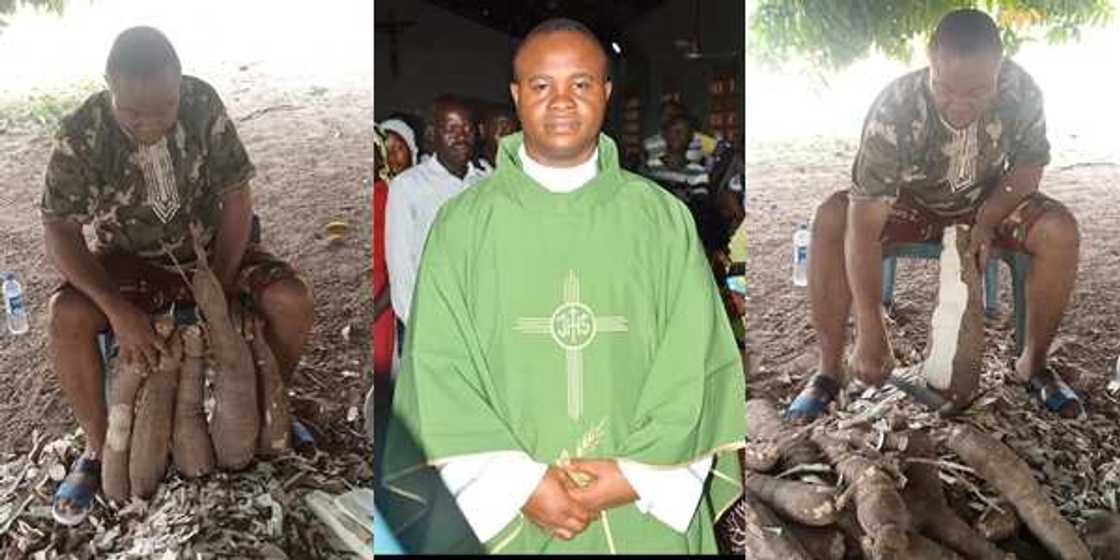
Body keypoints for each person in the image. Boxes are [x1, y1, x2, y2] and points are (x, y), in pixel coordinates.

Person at [381, 18, 745, 554]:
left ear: (607, 93)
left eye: (581, 83)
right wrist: (518, 483)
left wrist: (637, 474)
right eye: (541, 84)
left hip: (639, 500)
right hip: (505, 511)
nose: (561, 101)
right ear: (515, 95)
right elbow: (438, 371)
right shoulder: (462, 226)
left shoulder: (661, 219)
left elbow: (696, 359)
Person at [42, 27, 314, 525]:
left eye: (163, 109)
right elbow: (59, 229)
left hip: (208, 252)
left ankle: (272, 408)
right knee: (66, 316)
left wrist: (224, 286)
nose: (148, 124)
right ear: (109, 87)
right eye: (132, 113)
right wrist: (118, 312)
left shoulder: (200, 101)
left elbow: (236, 197)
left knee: (291, 300)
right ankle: (98, 449)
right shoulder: (83, 132)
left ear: (178, 85)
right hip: (129, 261)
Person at [787, 9, 1082, 423]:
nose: (959, 104)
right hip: (913, 206)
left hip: (989, 202)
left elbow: (1028, 166)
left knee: (1060, 230)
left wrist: (987, 220)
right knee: (832, 218)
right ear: (930, 59)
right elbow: (866, 219)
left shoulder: (1022, 92)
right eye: (944, 89)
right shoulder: (896, 107)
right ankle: (828, 372)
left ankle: (1033, 365)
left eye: (976, 91)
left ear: (999, 66)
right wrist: (871, 327)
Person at [385, 95, 489, 338]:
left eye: (467, 128)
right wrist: (422, 329)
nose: (461, 136)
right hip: (432, 326)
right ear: (432, 135)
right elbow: (401, 268)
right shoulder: (408, 186)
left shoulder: (487, 183)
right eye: (451, 129)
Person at [641, 113, 710, 201]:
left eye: (683, 132)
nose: (677, 136)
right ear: (665, 135)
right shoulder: (651, 166)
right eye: (673, 131)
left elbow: (700, 205)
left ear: (690, 137)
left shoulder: (698, 172)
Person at [641, 99, 716, 168]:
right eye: (664, 115)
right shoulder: (650, 144)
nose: (668, 119)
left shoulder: (703, 142)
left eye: (672, 115)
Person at [477, 104, 519, 170]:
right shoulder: (474, 169)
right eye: (501, 125)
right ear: (482, 130)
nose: (507, 133)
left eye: (512, 129)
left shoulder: (520, 166)